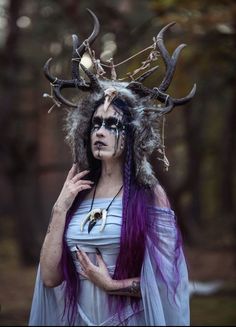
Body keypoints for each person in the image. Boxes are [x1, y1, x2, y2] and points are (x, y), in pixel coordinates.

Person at [29, 9, 196, 326]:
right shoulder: (77, 191)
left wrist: (112, 285)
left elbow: (168, 283)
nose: (100, 132)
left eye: (111, 124)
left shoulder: (150, 195)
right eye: (94, 124)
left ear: (132, 133)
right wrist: (59, 209)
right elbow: (50, 279)